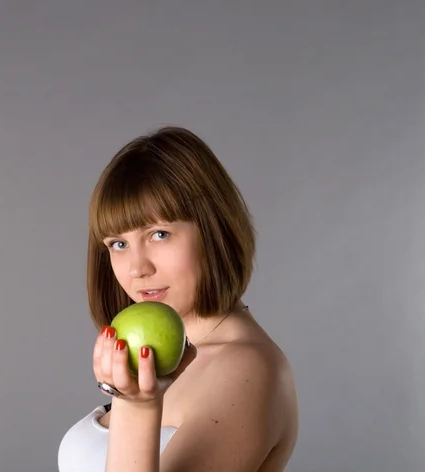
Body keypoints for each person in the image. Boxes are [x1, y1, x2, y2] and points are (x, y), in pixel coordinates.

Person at [58, 126, 299, 471]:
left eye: (159, 234)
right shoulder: (163, 356)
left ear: (213, 229)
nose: (138, 268)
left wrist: (136, 407)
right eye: (119, 244)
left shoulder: (249, 369)